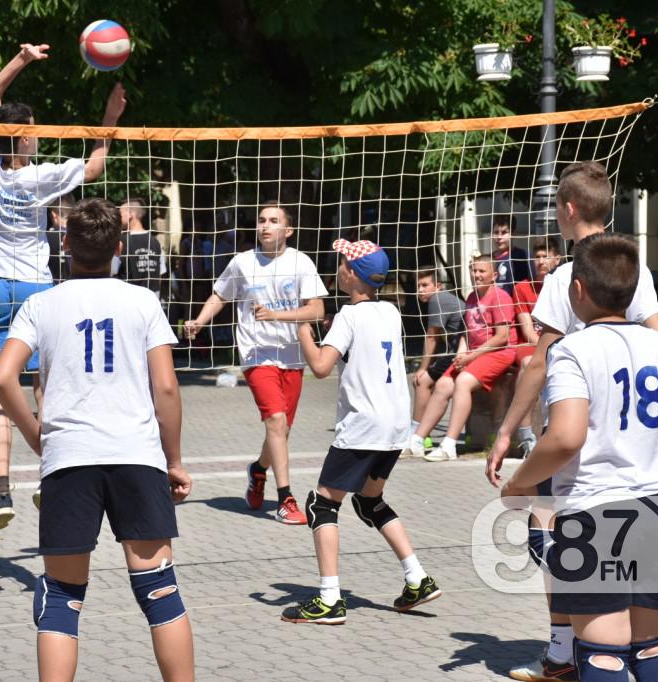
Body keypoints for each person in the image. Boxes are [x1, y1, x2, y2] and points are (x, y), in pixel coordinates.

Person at [0, 198, 194, 680]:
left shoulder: (40, 304)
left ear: (65, 244)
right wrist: (175, 460)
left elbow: (2, 378)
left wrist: (38, 436)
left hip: (69, 458)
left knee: (61, 597)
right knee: (160, 590)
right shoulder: (142, 300)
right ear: (119, 248)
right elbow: (165, 386)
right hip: (136, 455)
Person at [485, 162, 658, 682]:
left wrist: (504, 432)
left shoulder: (569, 274)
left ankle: (566, 651)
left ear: (568, 210)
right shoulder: (631, 266)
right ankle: (607, 643)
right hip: (633, 428)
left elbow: (538, 361)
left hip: (577, 419)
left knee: (549, 526)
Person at [501, 233, 658, 682]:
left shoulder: (572, 350)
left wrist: (518, 483)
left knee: (602, 656)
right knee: (656, 652)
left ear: (577, 289)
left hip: (596, 514)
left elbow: (565, 438)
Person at [0, 42, 126, 531]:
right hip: (39, 289)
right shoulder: (40, 177)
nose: (37, 135)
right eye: (33, 130)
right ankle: (49, 473)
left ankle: (1, 490)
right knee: (46, 387)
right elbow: (93, 167)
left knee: (1, 390)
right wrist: (109, 118)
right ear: (21, 141)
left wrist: (21, 59)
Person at [282, 238, 441, 624]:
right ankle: (417, 577)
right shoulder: (390, 312)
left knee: (323, 505)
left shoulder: (349, 317)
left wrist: (304, 330)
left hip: (364, 424)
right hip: (394, 424)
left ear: (351, 274)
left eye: (341, 263)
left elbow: (320, 366)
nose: (337, 268)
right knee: (369, 502)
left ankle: (329, 598)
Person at [184, 202, 327, 524]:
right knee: (276, 421)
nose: (265, 226)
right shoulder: (242, 262)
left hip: (292, 356)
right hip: (256, 354)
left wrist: (277, 315)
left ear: (288, 230)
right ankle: (286, 499)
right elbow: (220, 295)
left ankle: (259, 469)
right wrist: (201, 320)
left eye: (274, 221)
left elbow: (317, 311)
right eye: (262, 220)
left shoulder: (300, 263)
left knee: (282, 430)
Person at [405, 255, 517, 462]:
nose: (476, 275)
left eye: (482, 271)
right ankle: (417, 441)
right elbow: (467, 332)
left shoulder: (500, 297)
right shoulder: (472, 297)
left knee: (462, 382)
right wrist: (461, 353)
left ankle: (449, 444)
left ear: (493, 275)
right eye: (473, 271)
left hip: (498, 352)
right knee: (443, 384)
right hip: (474, 353)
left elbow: (501, 337)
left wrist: (471, 356)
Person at [510, 240, 562, 458]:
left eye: (546, 256)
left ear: (557, 259)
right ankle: (526, 437)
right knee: (528, 364)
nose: (541, 261)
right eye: (537, 256)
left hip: (559, 345)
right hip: (531, 346)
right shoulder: (522, 287)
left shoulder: (562, 285)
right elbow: (529, 333)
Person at [411, 269, 466, 450]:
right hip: (457, 350)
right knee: (429, 381)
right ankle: (420, 432)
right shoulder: (443, 299)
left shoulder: (438, 300)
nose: (420, 290)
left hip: (463, 352)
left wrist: (422, 368)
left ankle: (417, 434)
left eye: (425, 285)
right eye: (418, 286)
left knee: (422, 381)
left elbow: (432, 337)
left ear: (438, 286)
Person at [117, 198, 169, 301]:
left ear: (130, 214)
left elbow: (113, 271)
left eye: (120, 213)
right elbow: (160, 274)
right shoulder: (155, 242)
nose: (117, 217)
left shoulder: (121, 241)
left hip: (129, 300)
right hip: (153, 299)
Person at [492, 215, 532, 295]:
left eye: (504, 233)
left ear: (513, 234)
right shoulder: (488, 259)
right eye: (496, 232)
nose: (499, 237)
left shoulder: (523, 256)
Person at [45, 194, 75, 284]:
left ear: (54, 215)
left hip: (51, 288)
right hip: (76, 287)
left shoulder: (44, 238)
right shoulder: (82, 236)